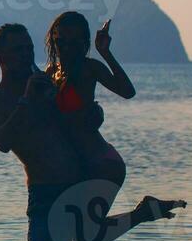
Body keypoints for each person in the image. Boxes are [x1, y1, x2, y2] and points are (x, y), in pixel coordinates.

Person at [0, 23, 185, 241]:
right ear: (0, 57)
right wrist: (27, 101)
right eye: (17, 50)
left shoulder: (48, 84)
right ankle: (141, 214)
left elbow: (84, 110)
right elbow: (2, 142)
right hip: (44, 194)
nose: (26, 55)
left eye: (29, 48)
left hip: (80, 181)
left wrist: (92, 112)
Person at [44, 12, 134, 189]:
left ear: (83, 43)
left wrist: (105, 53)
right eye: (61, 41)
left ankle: (142, 213)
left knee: (87, 218)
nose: (67, 47)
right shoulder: (50, 73)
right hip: (75, 165)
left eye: (74, 42)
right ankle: (142, 212)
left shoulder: (89, 68)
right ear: (54, 42)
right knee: (82, 218)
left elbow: (127, 92)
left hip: (101, 163)